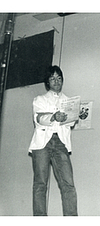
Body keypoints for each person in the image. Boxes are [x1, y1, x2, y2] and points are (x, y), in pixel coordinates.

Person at [28, 65, 78, 216]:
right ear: (47, 82)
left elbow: (72, 122)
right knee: (40, 183)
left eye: (59, 78)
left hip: (61, 143)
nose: (56, 81)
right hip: (43, 143)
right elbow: (38, 119)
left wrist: (66, 118)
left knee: (68, 184)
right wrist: (54, 116)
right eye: (52, 78)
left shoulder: (69, 101)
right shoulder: (40, 100)